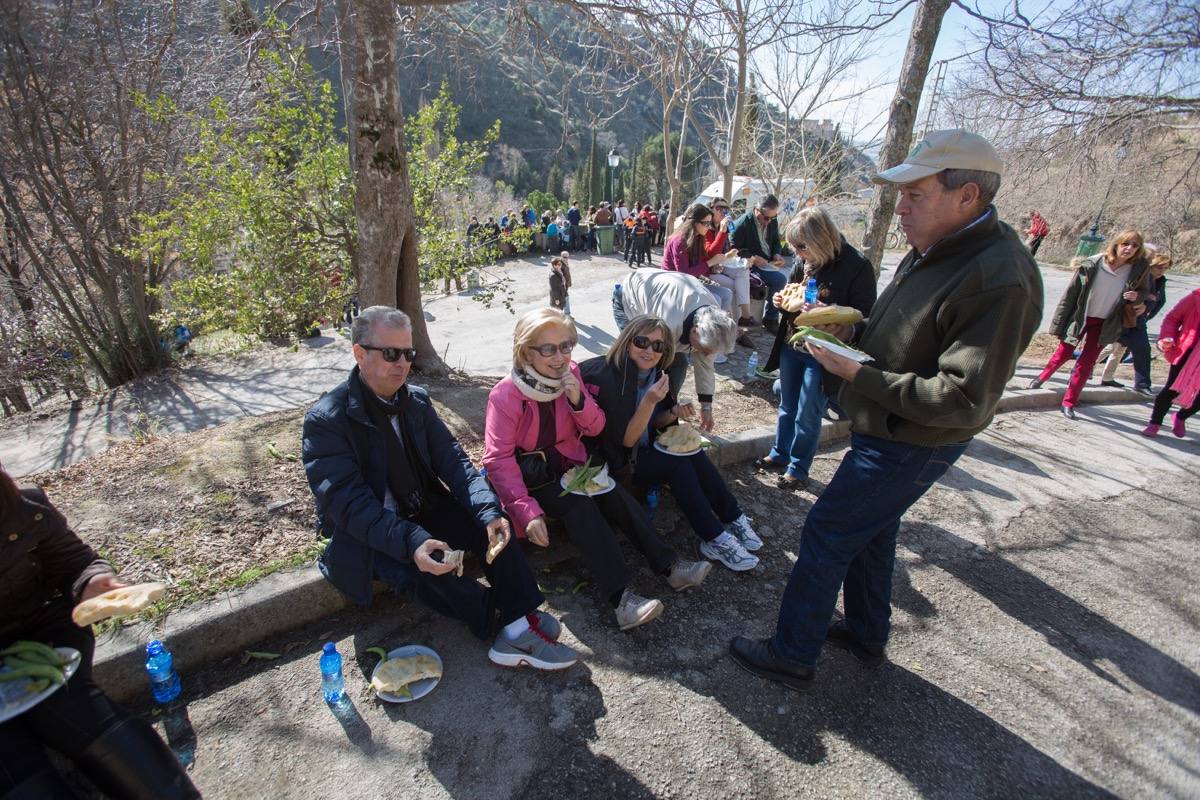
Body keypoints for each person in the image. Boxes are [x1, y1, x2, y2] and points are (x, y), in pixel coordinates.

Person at [729, 129, 1043, 690]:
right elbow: (905, 334)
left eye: (914, 195)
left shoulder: (998, 275)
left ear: (967, 195)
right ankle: (869, 630)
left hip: (915, 439)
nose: (900, 208)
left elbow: (963, 396)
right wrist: (848, 330)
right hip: (888, 428)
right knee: (873, 531)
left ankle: (792, 651)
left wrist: (859, 373)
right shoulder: (940, 250)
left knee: (827, 529)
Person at [302, 306, 577, 671]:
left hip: (421, 506)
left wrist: (487, 510)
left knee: (495, 523)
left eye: (408, 353)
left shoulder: (413, 400)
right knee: (427, 569)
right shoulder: (327, 420)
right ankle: (508, 630)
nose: (402, 363)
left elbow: (454, 461)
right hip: (371, 535)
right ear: (358, 353)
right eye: (390, 354)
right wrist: (412, 540)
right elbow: (349, 507)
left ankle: (522, 614)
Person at [482, 309, 711, 631]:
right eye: (548, 349)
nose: (560, 357)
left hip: (571, 465)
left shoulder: (571, 374)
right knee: (579, 506)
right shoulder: (506, 394)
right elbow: (497, 459)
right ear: (525, 351)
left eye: (566, 346)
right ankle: (622, 601)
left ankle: (670, 567)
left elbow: (595, 427)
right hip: (530, 476)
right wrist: (526, 511)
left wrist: (577, 399)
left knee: (613, 493)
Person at [0, 466, 200, 799]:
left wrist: (93, 582)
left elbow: (74, 561)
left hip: (44, 638)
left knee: (73, 710)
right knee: (10, 758)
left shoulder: (21, 505)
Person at [579, 317, 763, 572]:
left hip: (641, 449)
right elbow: (626, 440)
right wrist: (649, 402)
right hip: (615, 460)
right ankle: (714, 538)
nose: (649, 351)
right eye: (642, 341)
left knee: (694, 453)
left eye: (659, 347)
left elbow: (655, 424)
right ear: (627, 341)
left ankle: (732, 517)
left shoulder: (655, 374)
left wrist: (674, 411)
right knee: (678, 466)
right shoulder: (611, 376)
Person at [759, 206, 877, 488]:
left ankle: (798, 468)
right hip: (792, 343)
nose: (797, 253)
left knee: (808, 412)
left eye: (801, 246)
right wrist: (779, 301)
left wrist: (831, 312)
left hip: (822, 353)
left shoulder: (857, 266)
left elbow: (866, 315)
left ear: (821, 239)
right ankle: (779, 453)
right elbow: (790, 291)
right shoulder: (804, 261)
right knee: (787, 406)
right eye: (793, 246)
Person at [1029, 230, 1151, 418]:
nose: (1129, 248)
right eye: (1126, 243)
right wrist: (1058, 323)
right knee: (1064, 352)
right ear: (1116, 244)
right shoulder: (1094, 263)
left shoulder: (1138, 269)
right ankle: (1042, 377)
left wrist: (1138, 297)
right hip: (1081, 317)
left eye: (1135, 246)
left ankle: (1069, 401)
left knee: (1086, 364)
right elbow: (1070, 295)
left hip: (1107, 322)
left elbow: (1145, 293)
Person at [612, 268, 739, 425]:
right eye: (705, 350)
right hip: (630, 296)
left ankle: (665, 411)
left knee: (679, 364)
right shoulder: (668, 322)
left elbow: (705, 367)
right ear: (694, 331)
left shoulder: (712, 325)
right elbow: (649, 363)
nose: (706, 355)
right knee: (636, 361)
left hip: (666, 295)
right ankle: (632, 416)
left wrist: (706, 408)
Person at [1100, 248, 1171, 395]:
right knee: (1108, 348)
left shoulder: (1159, 282)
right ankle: (1080, 372)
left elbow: (1158, 302)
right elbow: (1128, 294)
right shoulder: (1142, 276)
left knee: (1126, 349)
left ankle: (1137, 383)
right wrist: (1142, 303)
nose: (1161, 271)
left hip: (1138, 321)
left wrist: (1146, 313)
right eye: (1159, 267)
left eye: (1165, 268)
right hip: (1124, 318)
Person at [660, 203, 742, 328]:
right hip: (675, 285)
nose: (709, 227)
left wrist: (712, 266)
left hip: (690, 283)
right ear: (694, 223)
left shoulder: (698, 238)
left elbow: (701, 263)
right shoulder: (679, 240)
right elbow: (684, 274)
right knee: (716, 299)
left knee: (726, 293)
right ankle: (708, 333)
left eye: (710, 223)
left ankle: (720, 330)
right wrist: (710, 263)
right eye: (706, 223)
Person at [1143, 286, 1200, 439]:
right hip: (1187, 352)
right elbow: (1172, 318)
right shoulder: (1195, 298)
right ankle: (1154, 423)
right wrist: (1167, 336)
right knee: (1172, 389)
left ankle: (1181, 417)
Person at [731, 194, 789, 333]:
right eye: (766, 218)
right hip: (750, 265)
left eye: (773, 217)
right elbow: (733, 249)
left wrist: (777, 253)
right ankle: (771, 318)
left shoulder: (772, 221)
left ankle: (771, 317)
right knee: (780, 279)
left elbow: (776, 240)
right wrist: (753, 257)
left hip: (768, 262)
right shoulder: (742, 224)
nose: (769, 221)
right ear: (757, 210)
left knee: (782, 278)